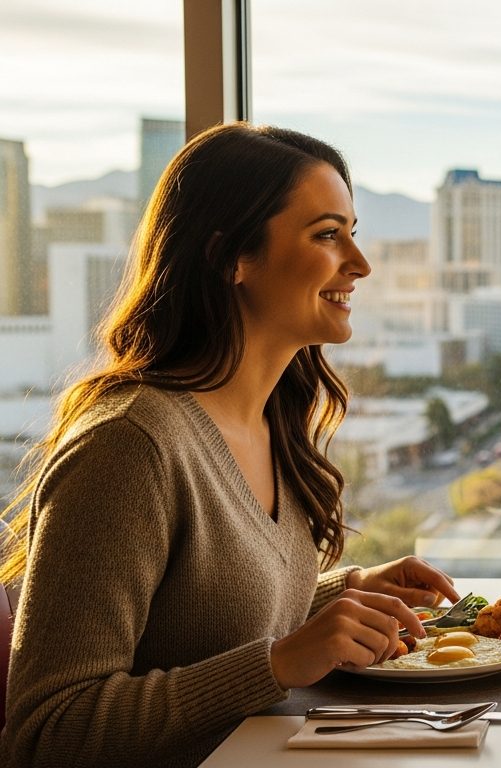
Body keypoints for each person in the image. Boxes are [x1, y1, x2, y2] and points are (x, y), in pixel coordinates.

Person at [0, 123, 460, 768]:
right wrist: (281, 662)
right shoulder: (130, 447)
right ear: (232, 257)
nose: (359, 263)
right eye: (328, 235)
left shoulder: (271, 421)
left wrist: (342, 597)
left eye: (353, 232)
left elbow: (198, 626)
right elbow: (49, 734)